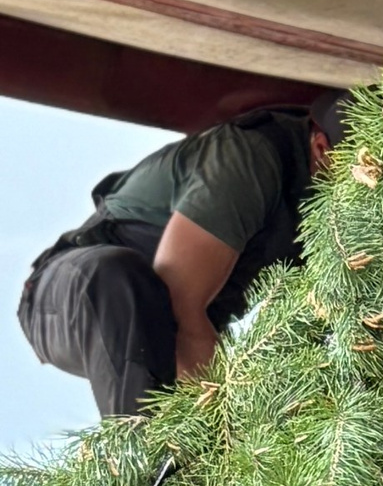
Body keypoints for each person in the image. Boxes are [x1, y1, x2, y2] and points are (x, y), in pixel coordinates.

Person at [17, 88, 345, 420]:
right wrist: (220, 433)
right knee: (119, 276)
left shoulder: (339, 216)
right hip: (70, 299)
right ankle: (139, 459)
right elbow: (179, 308)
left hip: (174, 326)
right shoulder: (249, 160)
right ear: (321, 147)